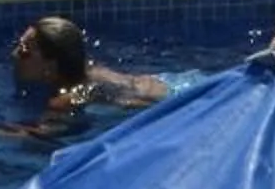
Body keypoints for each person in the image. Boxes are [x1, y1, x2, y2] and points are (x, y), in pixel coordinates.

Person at [12, 15, 169, 124]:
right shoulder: (88, 70)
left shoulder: (66, 99)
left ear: (51, 64)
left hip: (167, 100)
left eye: (24, 52)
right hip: (166, 85)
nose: (14, 55)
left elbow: (40, 137)